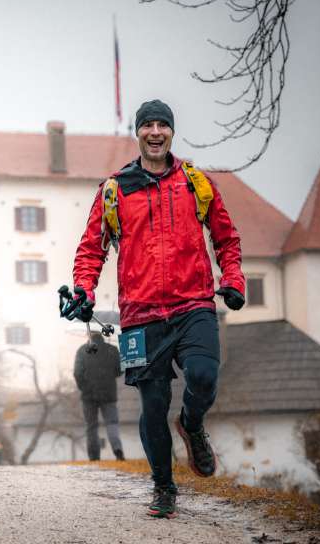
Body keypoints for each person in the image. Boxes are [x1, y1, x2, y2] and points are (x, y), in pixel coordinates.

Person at [67, 99, 244, 518]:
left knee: (203, 375)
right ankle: (163, 487)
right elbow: (91, 249)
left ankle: (193, 424)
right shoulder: (115, 189)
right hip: (141, 315)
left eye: (163, 124)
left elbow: (227, 239)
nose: (155, 131)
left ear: (172, 132)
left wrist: (233, 280)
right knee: (152, 406)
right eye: (148, 124)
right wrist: (83, 291)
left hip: (193, 304)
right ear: (138, 133)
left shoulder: (196, 183)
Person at [73, 332, 125, 461]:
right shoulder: (112, 349)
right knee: (112, 423)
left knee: (91, 426)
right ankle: (117, 449)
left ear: (88, 334)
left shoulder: (82, 350)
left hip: (88, 395)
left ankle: (94, 457)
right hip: (109, 394)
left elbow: (77, 372)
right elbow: (120, 370)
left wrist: (84, 387)